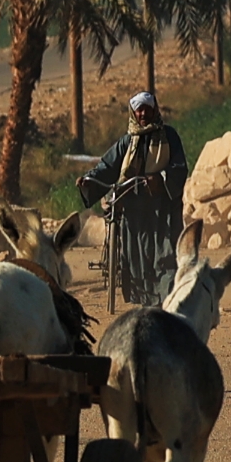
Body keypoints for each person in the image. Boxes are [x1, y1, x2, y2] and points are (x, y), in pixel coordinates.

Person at [77, 91, 188, 306]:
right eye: (139, 109)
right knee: (134, 255)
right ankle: (144, 298)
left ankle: (166, 299)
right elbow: (107, 167)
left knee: (163, 253)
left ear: (155, 110)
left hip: (161, 208)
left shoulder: (169, 137)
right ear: (133, 112)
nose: (143, 113)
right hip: (133, 206)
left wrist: (160, 179)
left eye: (147, 108)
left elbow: (179, 168)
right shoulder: (127, 141)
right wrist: (90, 179)